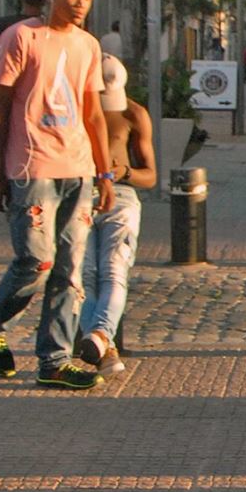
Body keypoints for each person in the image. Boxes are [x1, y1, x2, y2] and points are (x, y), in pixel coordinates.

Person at [0, 0, 117, 391]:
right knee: (37, 260)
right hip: (30, 167)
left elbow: (93, 113)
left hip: (79, 170)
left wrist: (105, 173)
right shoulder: (20, 38)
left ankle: (53, 361)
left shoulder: (89, 46)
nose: (80, 4)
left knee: (70, 271)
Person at [76, 54, 157, 376]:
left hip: (121, 197)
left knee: (113, 269)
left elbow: (150, 176)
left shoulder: (133, 114)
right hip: (81, 194)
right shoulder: (75, 110)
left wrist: (123, 171)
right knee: (84, 276)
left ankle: (98, 335)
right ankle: (104, 345)